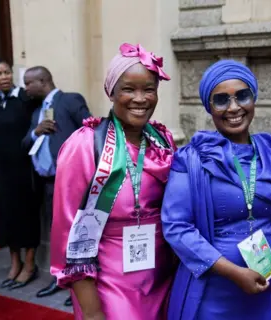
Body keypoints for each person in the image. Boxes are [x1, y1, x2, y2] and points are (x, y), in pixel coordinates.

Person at [161, 60, 271, 320]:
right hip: (213, 290)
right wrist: (233, 272)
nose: (234, 108)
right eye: (221, 100)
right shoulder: (192, 158)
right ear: (210, 107)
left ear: (253, 98)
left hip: (266, 290)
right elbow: (177, 227)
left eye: (242, 96)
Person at [50, 43, 177, 320]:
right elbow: (69, 231)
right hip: (110, 280)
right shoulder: (85, 145)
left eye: (149, 89)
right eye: (129, 89)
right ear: (112, 92)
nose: (140, 99)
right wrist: (93, 312)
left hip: (161, 275)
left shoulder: (161, 141)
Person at [22, 66, 91, 306]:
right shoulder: (36, 112)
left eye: (29, 83)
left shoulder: (70, 100)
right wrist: (35, 132)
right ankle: (61, 278)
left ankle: (83, 283)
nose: (26, 88)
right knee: (58, 233)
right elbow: (25, 143)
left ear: (43, 81)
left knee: (79, 233)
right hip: (47, 184)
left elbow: (90, 131)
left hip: (72, 182)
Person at [0, 59, 42, 290]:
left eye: (7, 72)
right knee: (6, 214)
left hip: (24, 165)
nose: (5, 76)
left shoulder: (25, 97)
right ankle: (14, 262)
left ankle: (30, 264)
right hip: (2, 166)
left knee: (26, 214)